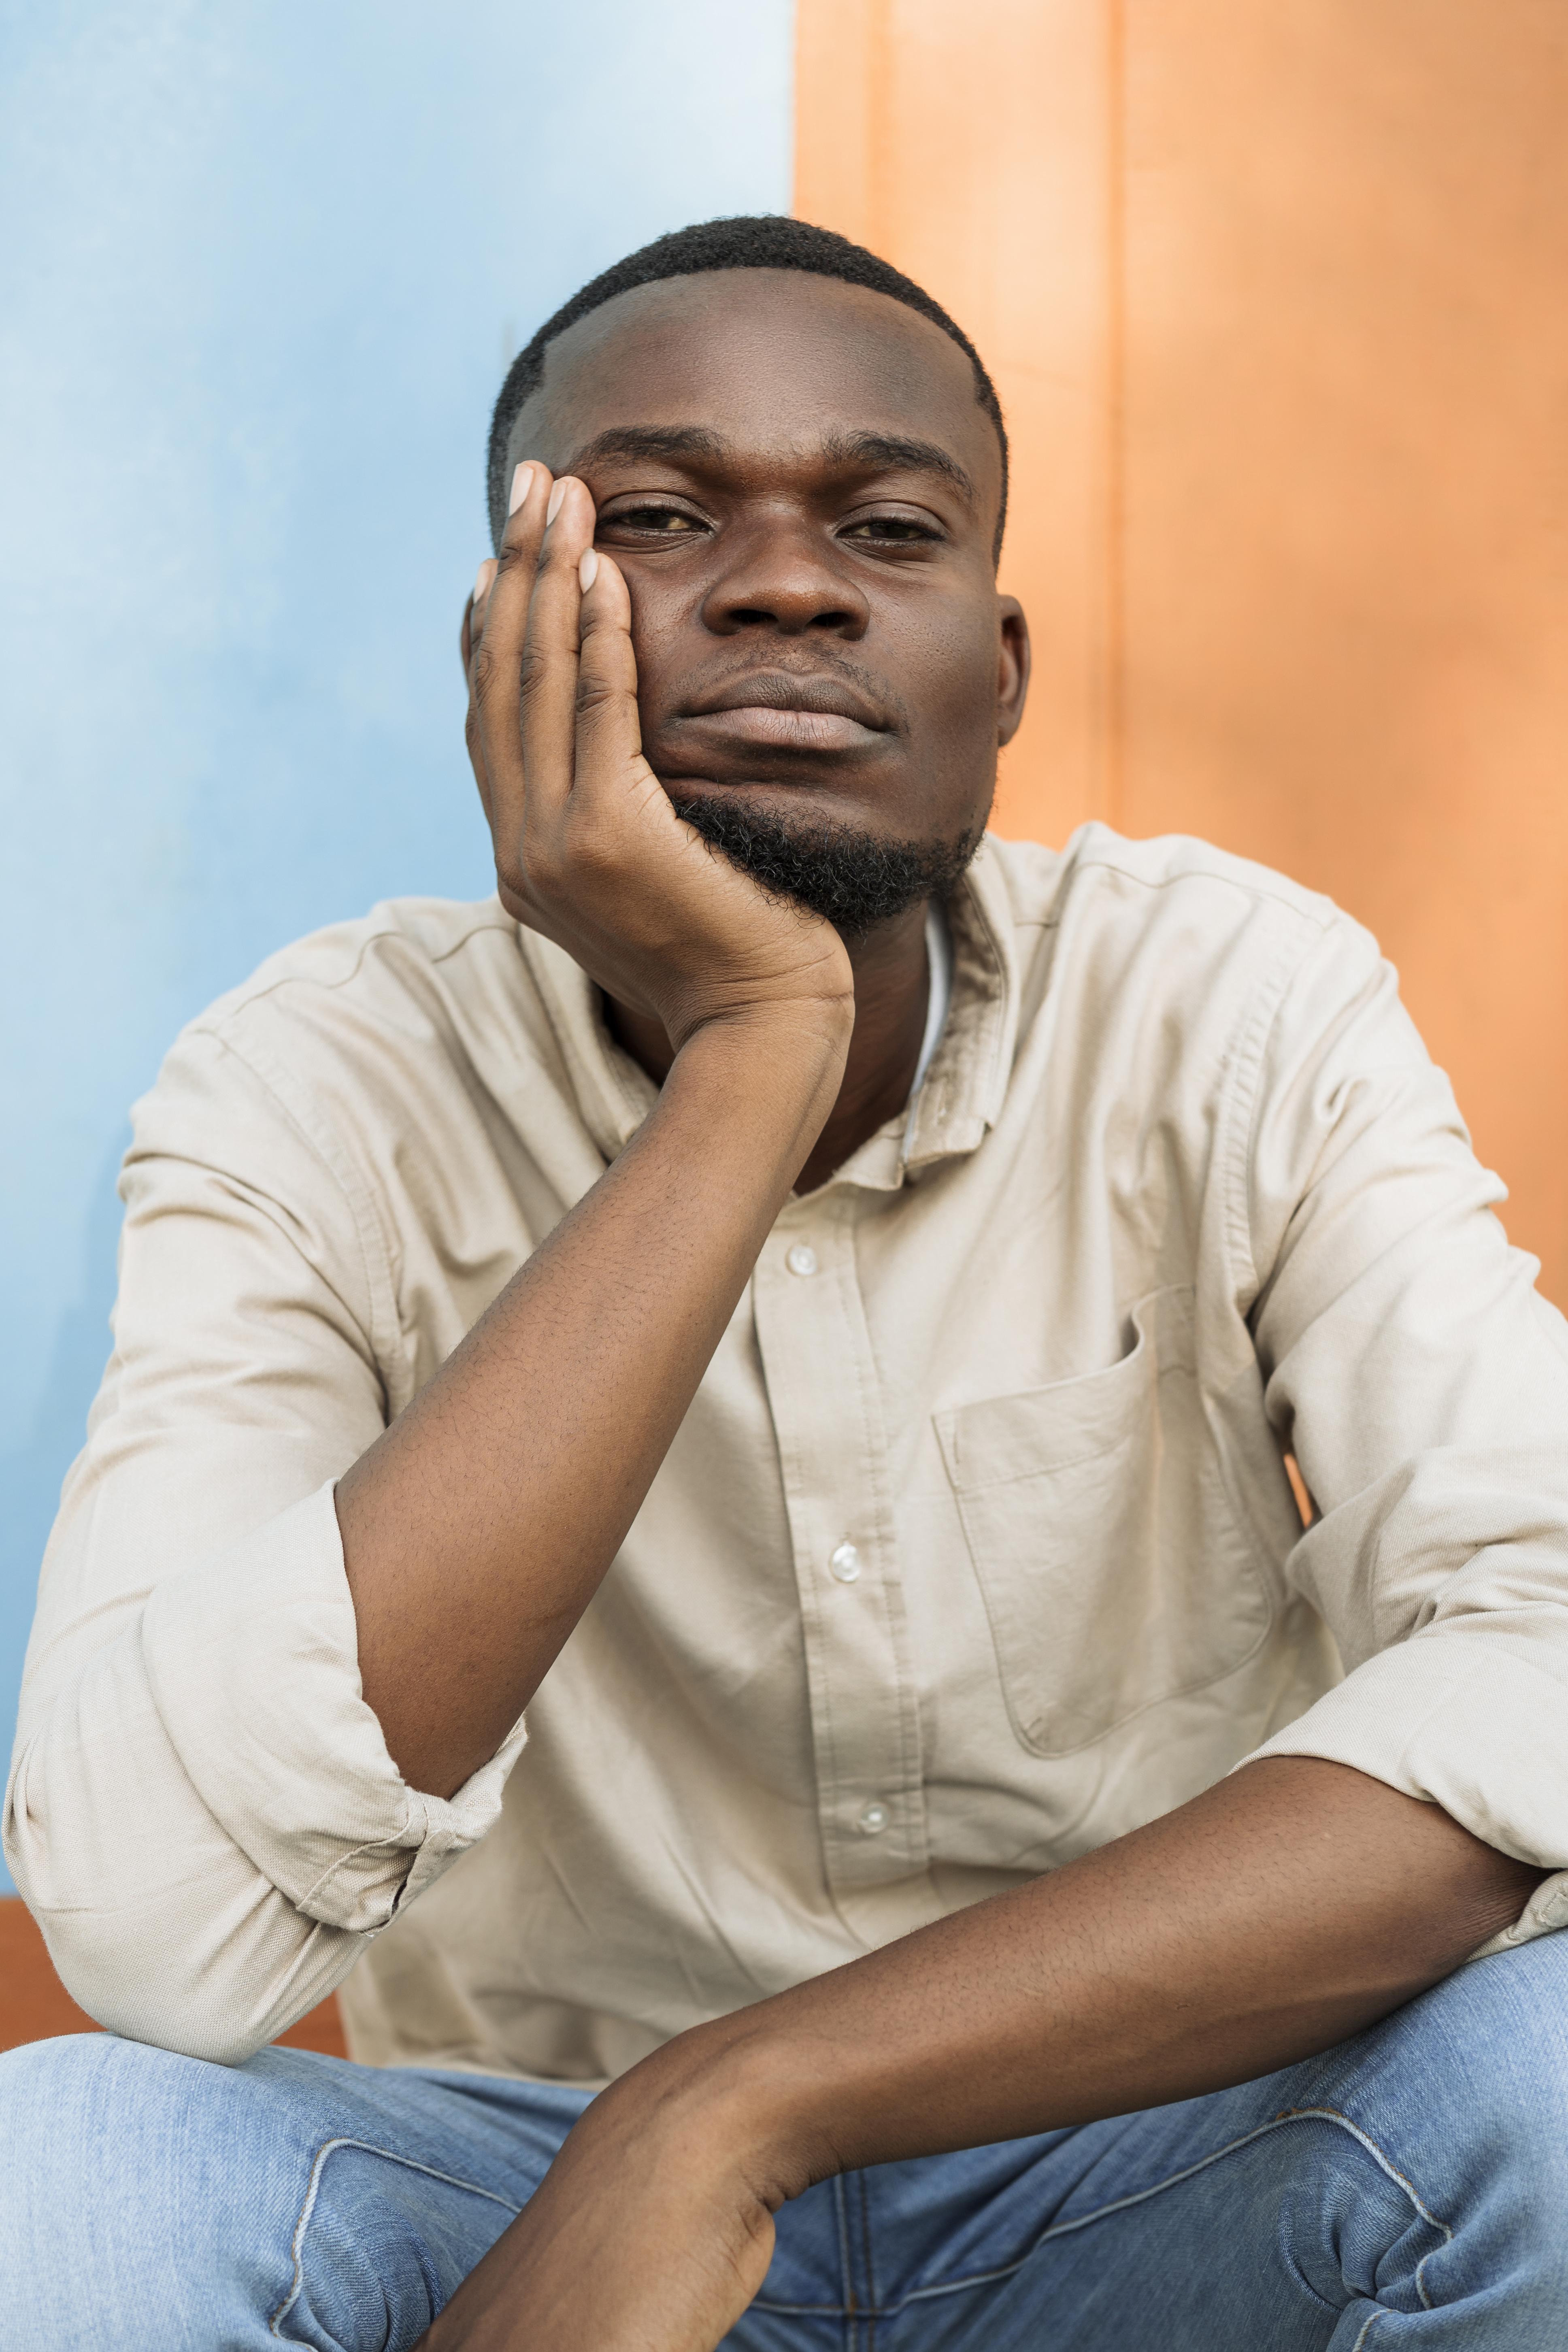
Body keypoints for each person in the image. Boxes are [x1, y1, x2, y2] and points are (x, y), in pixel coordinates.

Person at [3, 213, 1568, 2351]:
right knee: (68, 2180)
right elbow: (159, 1934)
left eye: (884, 525)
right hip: (522, 2210)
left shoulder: (1232, 1004)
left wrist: (741, 2105)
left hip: (1154, 2166)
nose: (785, 584)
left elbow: (1542, 1664)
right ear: (504, 645)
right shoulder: (318, 1080)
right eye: (654, 515)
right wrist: (751, 1049)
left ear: (994, 664)